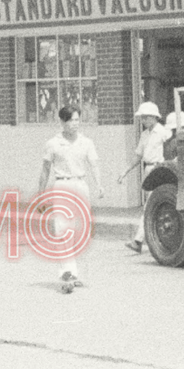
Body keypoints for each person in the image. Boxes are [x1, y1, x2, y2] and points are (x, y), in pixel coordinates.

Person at [37, 105, 104, 293]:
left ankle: (75, 272)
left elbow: (94, 164)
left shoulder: (86, 142)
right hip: (62, 185)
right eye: (71, 120)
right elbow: (45, 170)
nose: (75, 124)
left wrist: (99, 184)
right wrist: (41, 194)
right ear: (62, 122)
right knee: (62, 229)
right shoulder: (53, 143)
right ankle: (67, 272)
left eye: (77, 120)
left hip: (81, 185)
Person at [125, 101, 170, 254]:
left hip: (160, 169)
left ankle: (138, 240)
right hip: (148, 169)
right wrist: (126, 170)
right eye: (142, 118)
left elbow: (171, 150)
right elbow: (138, 155)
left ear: (153, 117)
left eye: (145, 118)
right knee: (150, 205)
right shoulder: (144, 135)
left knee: (151, 205)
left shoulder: (164, 132)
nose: (143, 121)